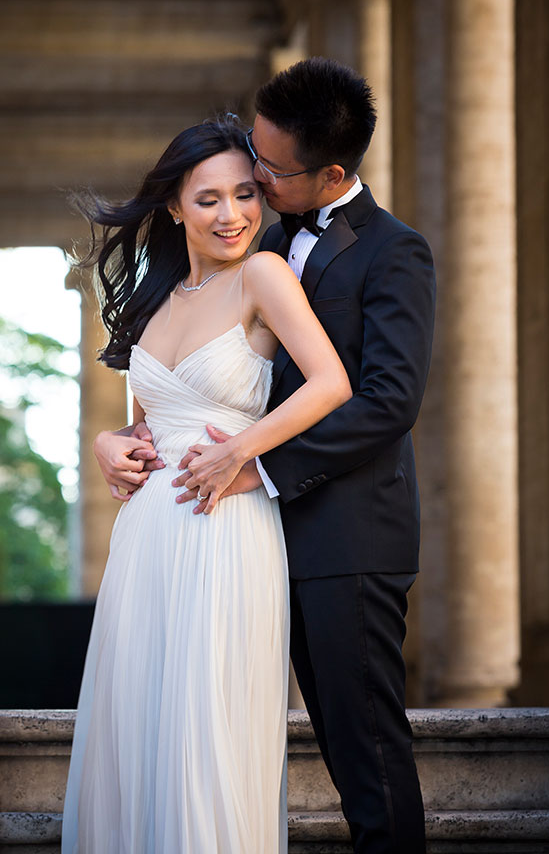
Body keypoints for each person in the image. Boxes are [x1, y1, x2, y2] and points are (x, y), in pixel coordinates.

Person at [95, 59, 436, 853]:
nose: (250, 181)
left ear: (333, 173)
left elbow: (386, 400)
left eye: (267, 172)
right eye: (251, 153)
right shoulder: (255, 238)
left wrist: (258, 464)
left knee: (364, 754)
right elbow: (179, 386)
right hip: (225, 530)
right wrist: (117, 439)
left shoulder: (394, 252)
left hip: (344, 537)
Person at [62, 114, 352, 853]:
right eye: (208, 199)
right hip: (145, 541)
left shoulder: (264, 274)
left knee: (208, 728)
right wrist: (105, 443)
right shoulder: (155, 299)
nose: (233, 215)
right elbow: (146, 427)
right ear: (171, 207)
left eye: (247, 194)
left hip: (225, 529)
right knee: (140, 722)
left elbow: (329, 384)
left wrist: (245, 454)